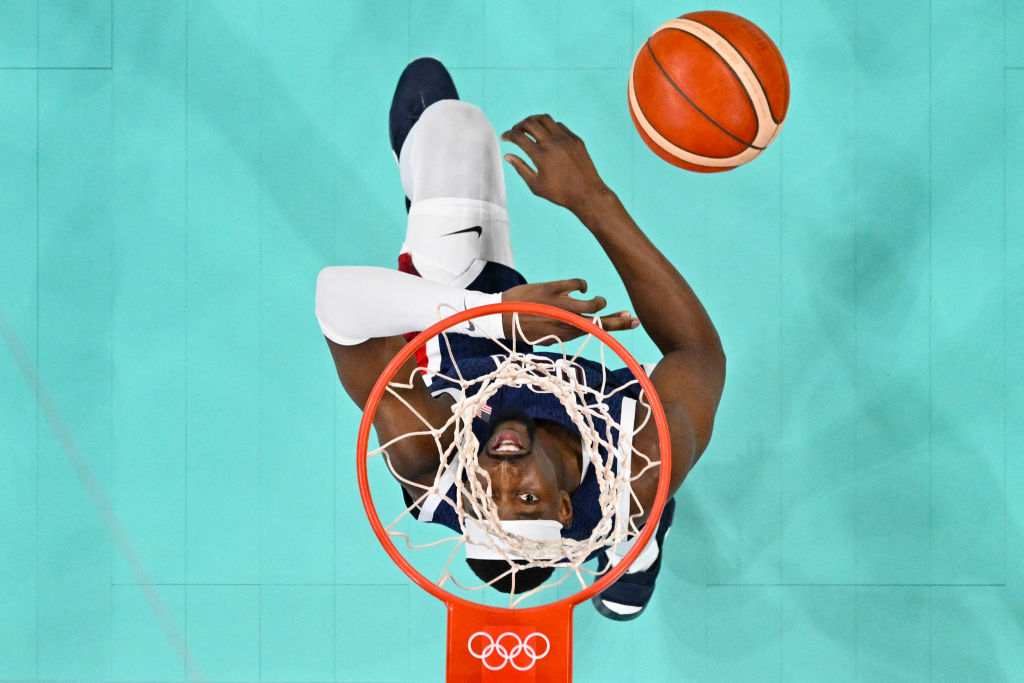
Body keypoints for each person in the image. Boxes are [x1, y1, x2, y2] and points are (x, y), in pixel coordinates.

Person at [315, 58, 725, 619]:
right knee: (642, 508)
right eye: (526, 498)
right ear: (562, 504)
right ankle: (632, 550)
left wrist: (495, 316)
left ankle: (427, 201)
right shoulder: (641, 470)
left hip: (469, 356)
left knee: (452, 128)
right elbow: (697, 353)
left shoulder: (428, 456)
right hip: (608, 472)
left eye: (492, 496)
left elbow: (334, 299)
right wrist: (592, 199)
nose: (503, 470)